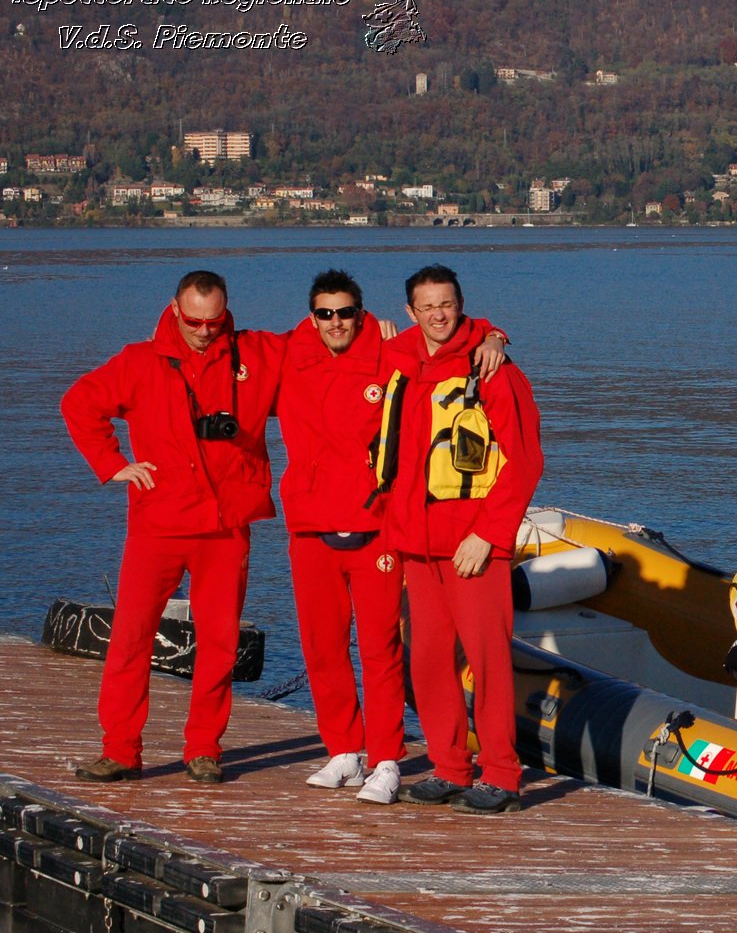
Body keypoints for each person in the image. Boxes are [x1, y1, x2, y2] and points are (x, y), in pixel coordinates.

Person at [278, 270, 505, 805]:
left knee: (382, 648)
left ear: (363, 311)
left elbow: (452, 332)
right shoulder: (291, 353)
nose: (336, 322)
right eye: (324, 313)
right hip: (311, 524)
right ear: (311, 317)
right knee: (323, 647)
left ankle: (386, 757)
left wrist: (494, 333)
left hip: (378, 525)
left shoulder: (389, 352)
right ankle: (343, 750)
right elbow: (211, 341)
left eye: (346, 311)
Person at [61, 270, 286, 784]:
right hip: (157, 522)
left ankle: (204, 748)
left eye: (215, 320)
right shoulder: (139, 361)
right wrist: (112, 462)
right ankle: (120, 749)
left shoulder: (255, 352)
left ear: (226, 311)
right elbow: (78, 403)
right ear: (174, 308)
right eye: (193, 321)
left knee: (220, 642)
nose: (205, 330)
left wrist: (484, 333)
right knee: (131, 638)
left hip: (227, 524)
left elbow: (327, 336)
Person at [376, 265, 541, 814]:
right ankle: (449, 766)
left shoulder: (493, 370)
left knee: (488, 659)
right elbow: (324, 340)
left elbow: (524, 464)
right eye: (426, 307)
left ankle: (501, 774)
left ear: (461, 304)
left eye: (446, 304)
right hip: (416, 544)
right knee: (426, 660)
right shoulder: (398, 357)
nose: (438, 315)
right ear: (410, 312)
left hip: (473, 546)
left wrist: (488, 535)